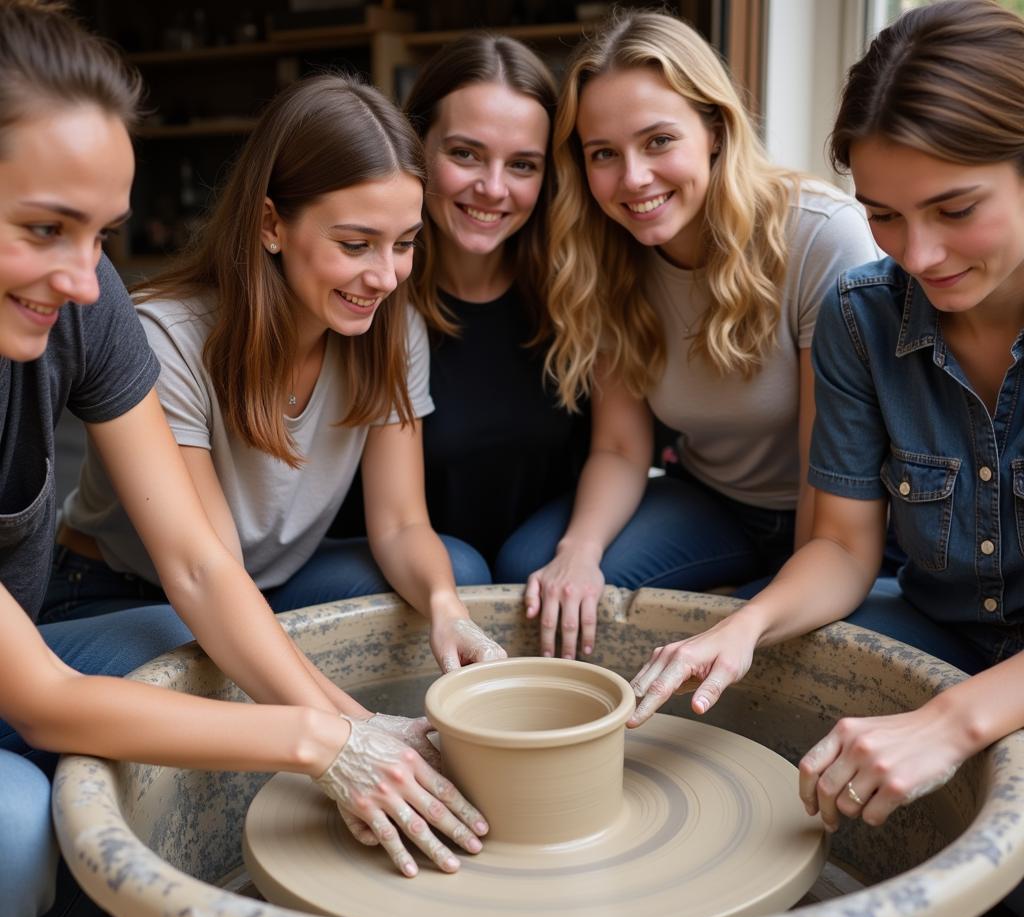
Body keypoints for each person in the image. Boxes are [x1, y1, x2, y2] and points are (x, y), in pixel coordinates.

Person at [0, 2, 488, 917]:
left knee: (443, 595)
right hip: (76, 624)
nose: (87, 278)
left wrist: (361, 727)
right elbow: (47, 688)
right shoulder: (168, 326)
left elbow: (205, 565)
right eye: (44, 228)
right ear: (272, 223)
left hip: (164, 606)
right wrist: (328, 741)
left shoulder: (87, 320)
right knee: (22, 827)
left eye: (101, 236)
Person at [622, 0, 1024, 917]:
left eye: (954, 208)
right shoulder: (861, 314)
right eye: (883, 214)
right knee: (757, 714)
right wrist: (745, 626)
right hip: (938, 624)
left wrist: (953, 721)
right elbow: (843, 548)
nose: (918, 255)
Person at [47, 72, 506, 676]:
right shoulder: (166, 337)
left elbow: (399, 524)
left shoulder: (391, 325)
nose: (386, 277)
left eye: (404, 243)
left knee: (456, 576)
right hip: (131, 590)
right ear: (270, 225)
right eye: (356, 243)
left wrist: (447, 610)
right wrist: (353, 733)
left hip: (262, 584)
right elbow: (207, 572)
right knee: (196, 655)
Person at [502, 10, 877, 660]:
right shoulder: (609, 253)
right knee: (535, 577)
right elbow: (621, 448)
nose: (634, 179)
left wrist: (757, 607)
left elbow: (830, 476)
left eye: (657, 141)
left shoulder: (819, 236)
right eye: (603, 155)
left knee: (767, 648)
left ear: (713, 128)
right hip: (715, 502)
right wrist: (578, 555)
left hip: (835, 523)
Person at [334, 34, 590, 573]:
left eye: (523, 165)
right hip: (394, 570)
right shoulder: (363, 294)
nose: (493, 188)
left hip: (537, 574)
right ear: (415, 148)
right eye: (465, 154)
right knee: (462, 568)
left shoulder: (574, 292)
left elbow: (617, 452)